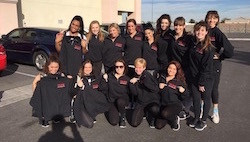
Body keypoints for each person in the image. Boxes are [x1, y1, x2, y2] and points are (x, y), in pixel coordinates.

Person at [205, 10, 234, 124]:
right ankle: (202, 107)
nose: (211, 20)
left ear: (217, 20)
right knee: (202, 87)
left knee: (213, 88)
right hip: (204, 64)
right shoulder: (204, 30)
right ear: (206, 19)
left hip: (214, 65)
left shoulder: (217, 33)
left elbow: (230, 50)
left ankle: (215, 110)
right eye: (209, 18)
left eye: (214, 18)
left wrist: (220, 57)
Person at [30, 54, 73, 127]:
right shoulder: (43, 78)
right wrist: (34, 82)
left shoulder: (61, 76)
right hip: (47, 99)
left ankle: (56, 116)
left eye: (56, 67)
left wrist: (69, 80)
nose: (54, 69)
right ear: (48, 66)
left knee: (58, 101)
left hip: (56, 98)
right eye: (52, 67)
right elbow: (36, 93)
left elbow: (68, 88)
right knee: (45, 102)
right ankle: (44, 118)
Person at [188, 21, 214, 131]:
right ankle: (196, 118)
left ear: (206, 32)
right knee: (196, 99)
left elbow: (206, 67)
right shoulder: (194, 44)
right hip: (194, 77)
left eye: (202, 30)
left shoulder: (208, 48)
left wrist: (202, 82)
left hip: (205, 79)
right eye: (198, 30)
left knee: (206, 99)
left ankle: (203, 120)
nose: (199, 32)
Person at [73, 60, 109, 128]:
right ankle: (75, 113)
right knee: (90, 124)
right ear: (83, 68)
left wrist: (105, 80)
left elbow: (102, 88)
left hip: (91, 104)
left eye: (89, 67)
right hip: (81, 105)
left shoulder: (95, 78)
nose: (88, 69)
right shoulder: (78, 78)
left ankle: (91, 113)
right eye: (86, 67)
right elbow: (72, 92)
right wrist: (78, 86)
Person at [155, 61, 188, 131]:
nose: (171, 70)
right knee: (158, 125)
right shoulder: (162, 77)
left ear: (177, 71)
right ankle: (168, 116)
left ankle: (175, 118)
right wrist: (158, 87)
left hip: (174, 105)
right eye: (170, 68)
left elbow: (185, 96)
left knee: (165, 113)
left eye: (174, 69)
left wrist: (183, 91)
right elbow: (155, 92)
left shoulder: (178, 82)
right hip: (163, 104)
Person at [171, 17, 192, 120]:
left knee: (186, 90)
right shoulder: (172, 37)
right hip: (175, 68)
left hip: (186, 68)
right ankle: (178, 107)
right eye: (176, 25)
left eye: (180, 25)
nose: (177, 27)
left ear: (184, 26)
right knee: (177, 87)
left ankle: (186, 110)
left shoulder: (188, 38)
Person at [129, 58, 160, 128]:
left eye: (140, 67)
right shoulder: (135, 77)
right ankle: (144, 111)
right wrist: (131, 84)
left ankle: (152, 116)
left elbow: (155, 89)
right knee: (134, 123)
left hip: (152, 101)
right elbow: (135, 93)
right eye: (136, 67)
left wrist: (144, 83)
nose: (138, 69)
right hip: (141, 102)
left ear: (144, 68)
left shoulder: (148, 76)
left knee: (155, 109)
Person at [100, 59, 131, 128]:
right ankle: (116, 111)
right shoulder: (109, 77)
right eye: (117, 67)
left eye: (121, 66)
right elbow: (102, 89)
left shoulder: (127, 79)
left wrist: (133, 84)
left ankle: (122, 115)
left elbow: (131, 92)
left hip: (122, 100)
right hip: (112, 101)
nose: (119, 68)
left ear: (124, 67)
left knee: (120, 101)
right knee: (113, 122)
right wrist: (104, 80)